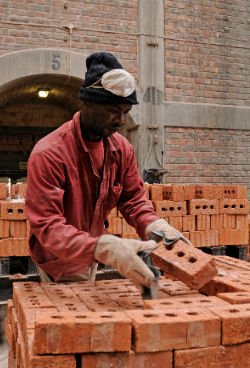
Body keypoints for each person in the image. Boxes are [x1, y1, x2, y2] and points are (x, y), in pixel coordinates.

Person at [25, 52, 180, 288]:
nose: (121, 120)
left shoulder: (121, 149)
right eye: (113, 111)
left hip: (93, 254)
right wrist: (102, 247)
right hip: (60, 260)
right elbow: (48, 227)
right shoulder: (50, 154)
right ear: (88, 102)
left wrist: (154, 226)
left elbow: (133, 200)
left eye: (126, 112)